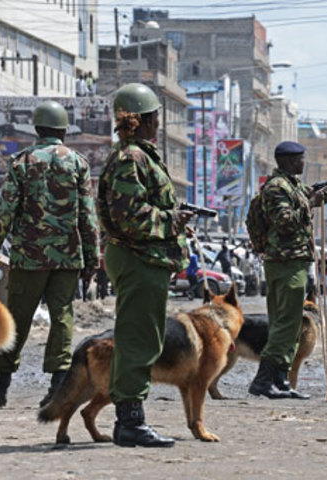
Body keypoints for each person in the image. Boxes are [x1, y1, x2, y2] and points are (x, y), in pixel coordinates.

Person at [97, 83, 194, 447]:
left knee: (142, 336)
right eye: (155, 117)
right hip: (138, 257)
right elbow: (130, 216)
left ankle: (130, 420)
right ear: (144, 120)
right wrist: (173, 220)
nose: (158, 123)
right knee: (138, 338)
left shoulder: (139, 157)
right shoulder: (131, 160)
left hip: (145, 258)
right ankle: (130, 423)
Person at [0, 100, 99, 408]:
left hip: (29, 256)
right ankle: (57, 385)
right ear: (64, 130)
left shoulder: (22, 161)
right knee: (62, 316)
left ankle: (3, 385)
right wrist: (92, 258)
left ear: (36, 129)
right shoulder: (77, 163)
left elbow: (5, 210)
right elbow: (88, 217)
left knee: (18, 318)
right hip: (67, 257)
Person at [248, 140, 327, 399]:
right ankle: (263, 381)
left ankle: (281, 380)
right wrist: (310, 204)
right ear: (286, 161)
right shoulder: (276, 188)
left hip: (293, 261)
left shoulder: (292, 185)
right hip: (285, 261)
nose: (303, 163)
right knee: (286, 322)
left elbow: (317, 195)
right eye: (299, 159)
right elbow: (284, 222)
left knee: (290, 323)